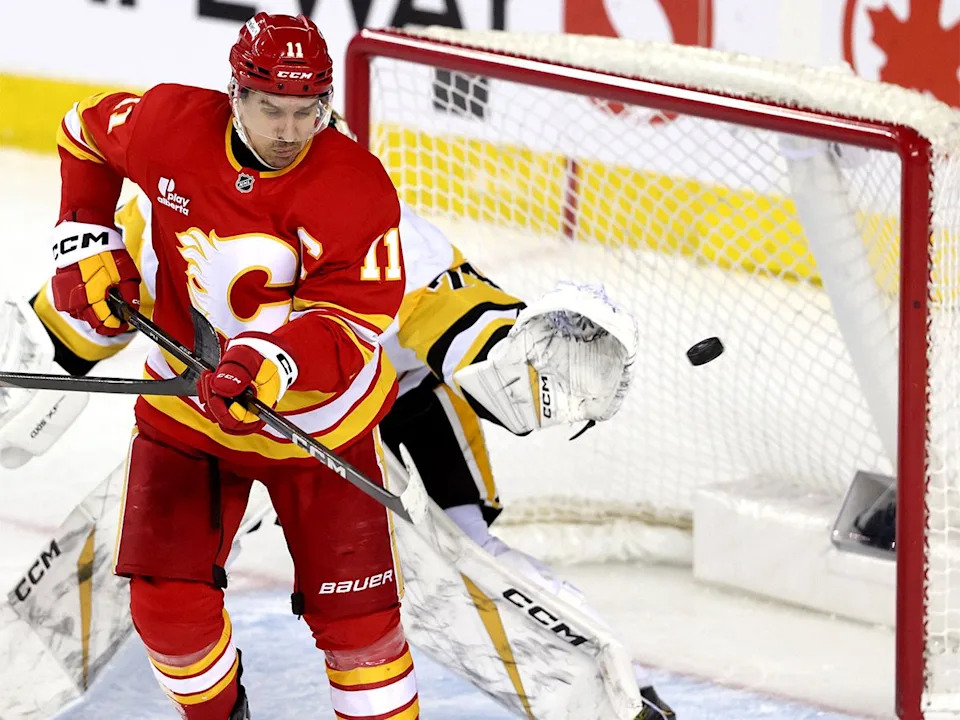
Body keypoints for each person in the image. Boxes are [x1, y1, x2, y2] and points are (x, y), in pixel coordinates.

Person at [43, 12, 417, 720]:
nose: (288, 131)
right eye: (271, 108)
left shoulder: (356, 186)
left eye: (308, 112)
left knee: (361, 638)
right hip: (187, 413)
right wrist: (83, 232)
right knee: (169, 616)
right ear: (235, 95)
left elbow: (354, 322)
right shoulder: (169, 124)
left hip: (319, 430)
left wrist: (269, 362)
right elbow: (82, 131)